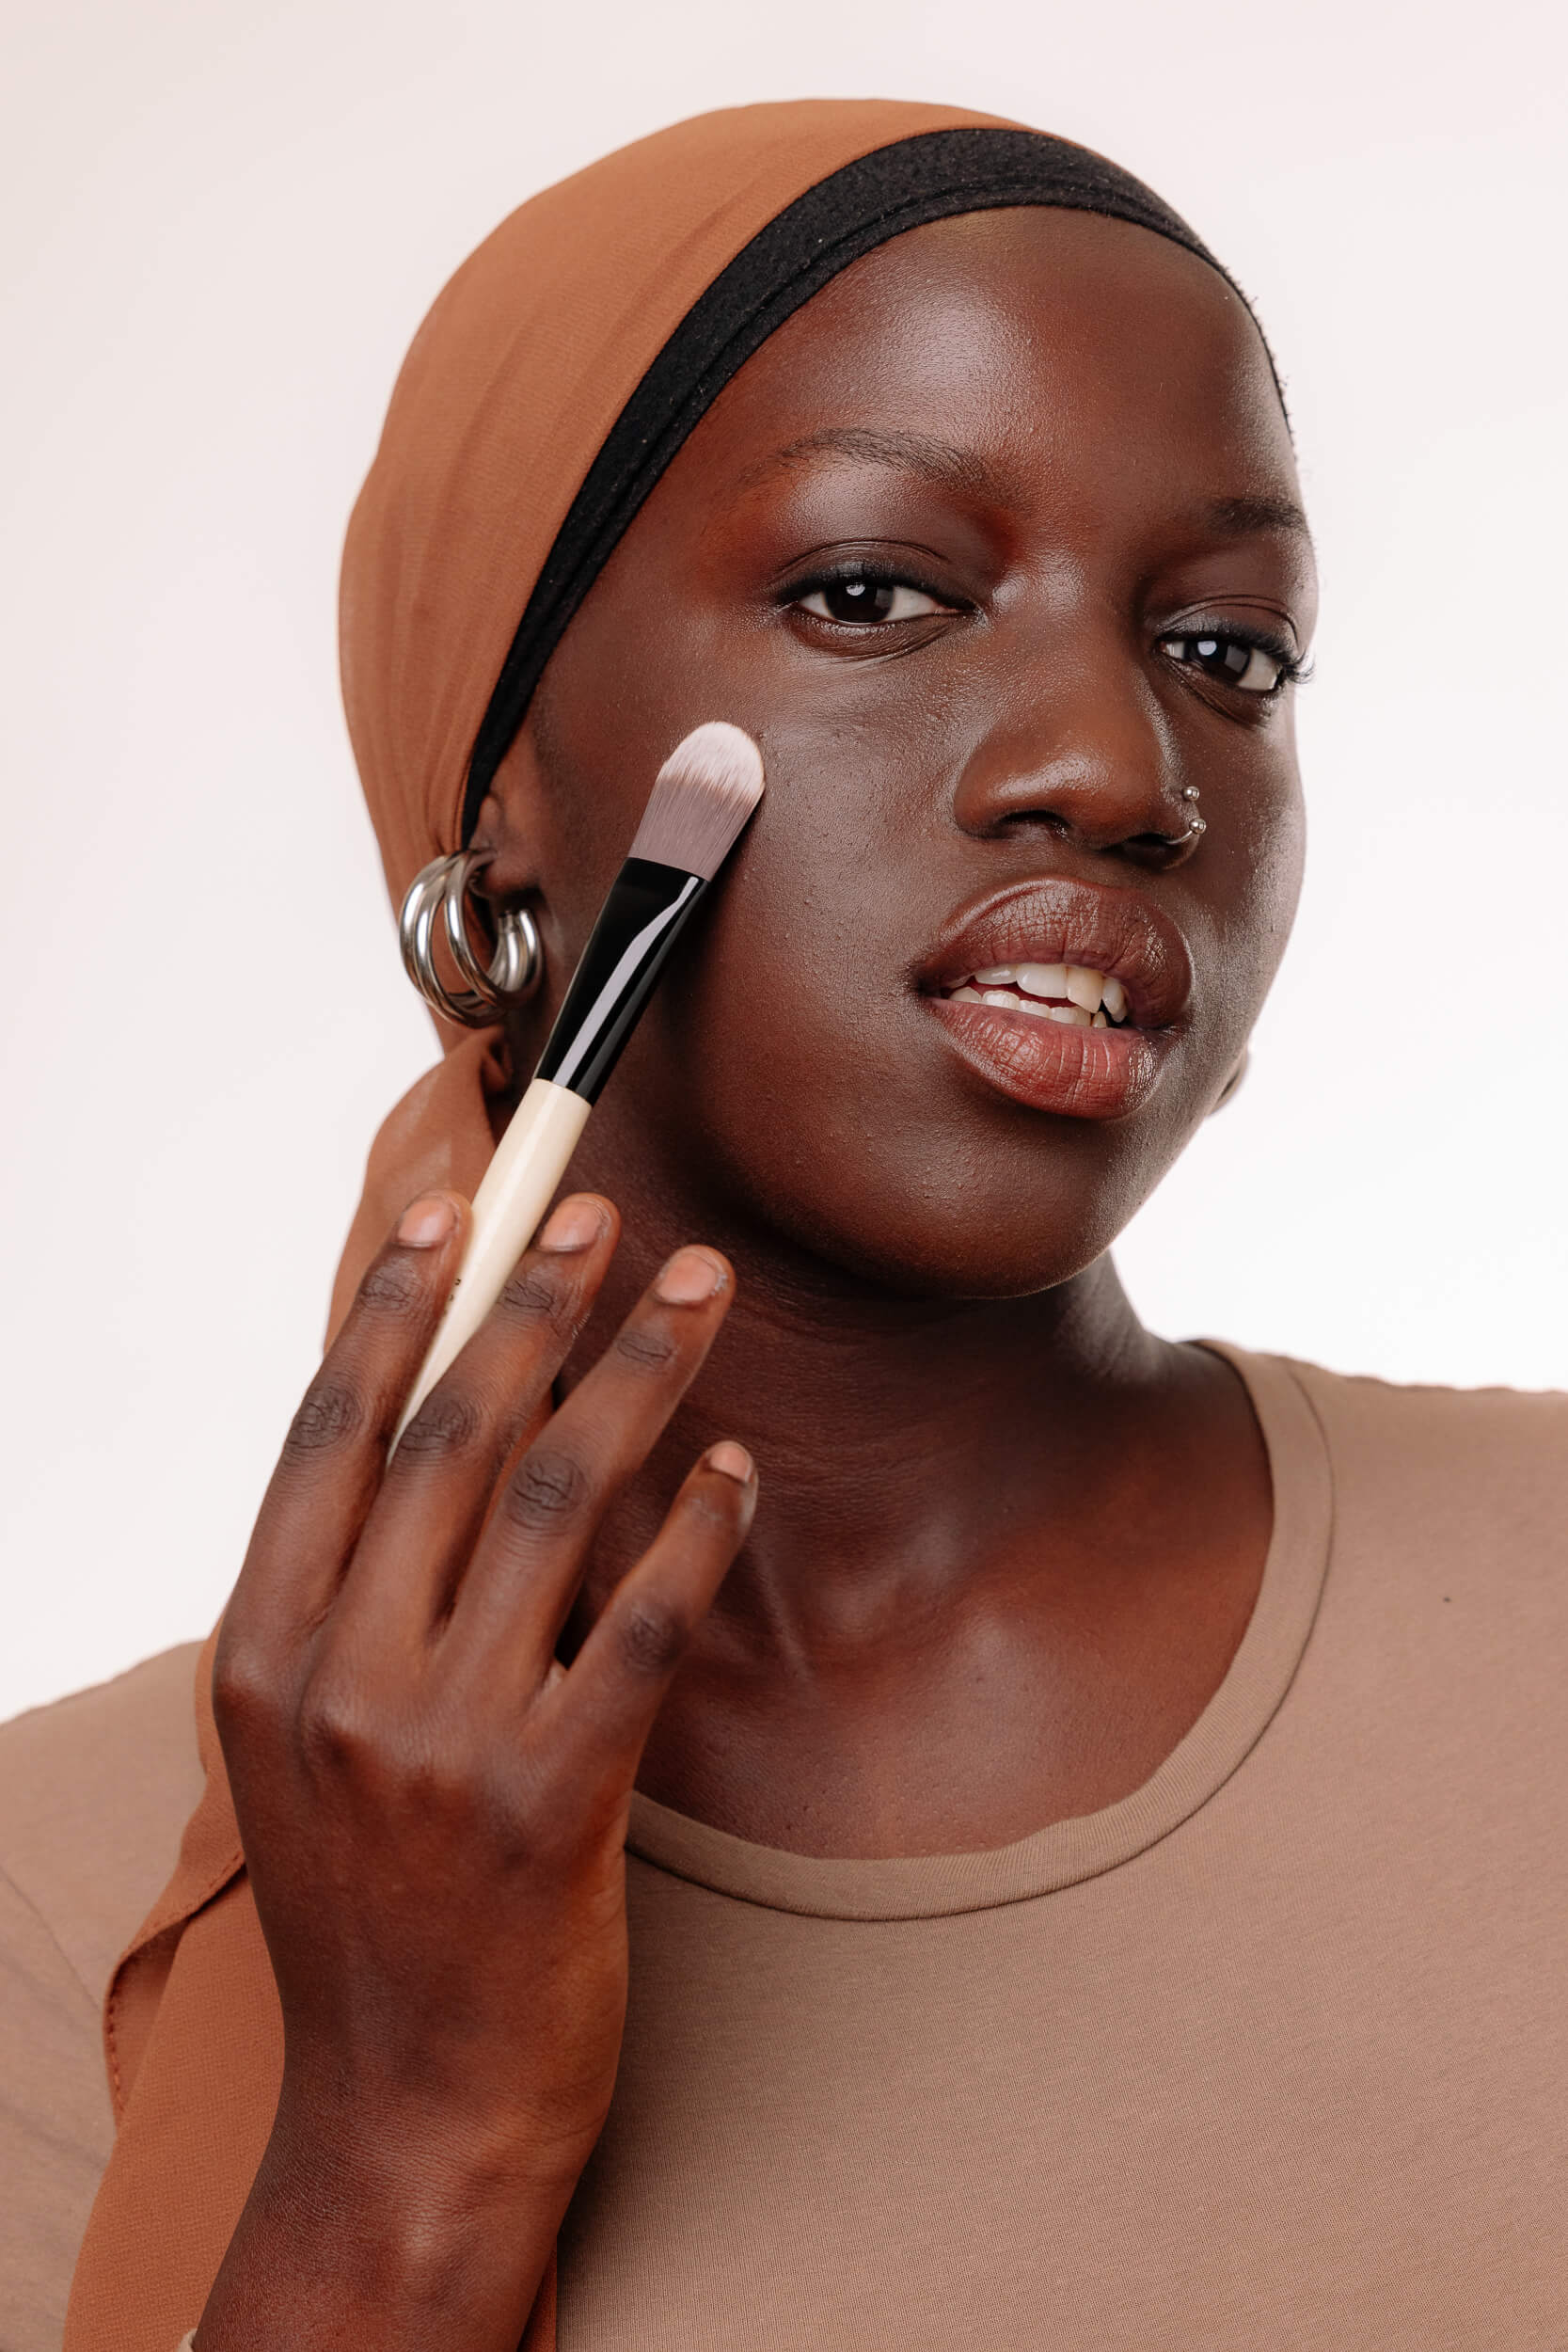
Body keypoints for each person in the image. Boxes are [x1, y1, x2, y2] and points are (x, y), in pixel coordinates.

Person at [3, 98, 1563, 2352]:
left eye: (1230, 648)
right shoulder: (59, 1922)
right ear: (498, 792)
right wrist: (399, 2151)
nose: (1121, 768)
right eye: (872, 594)